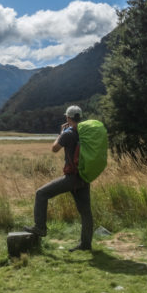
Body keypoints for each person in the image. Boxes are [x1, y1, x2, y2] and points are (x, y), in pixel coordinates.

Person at [24, 105, 94, 251]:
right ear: (80, 117)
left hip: (71, 177)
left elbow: (54, 148)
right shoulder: (86, 132)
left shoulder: (68, 133)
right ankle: (86, 244)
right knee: (85, 212)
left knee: (41, 193)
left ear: (68, 118)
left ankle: (40, 228)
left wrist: (61, 133)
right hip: (84, 176)